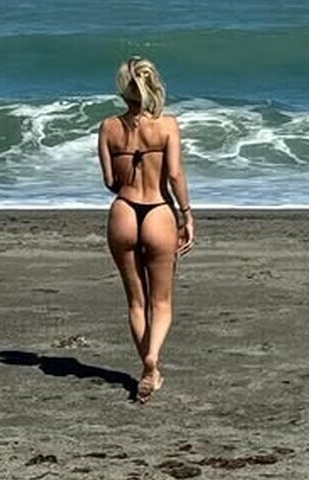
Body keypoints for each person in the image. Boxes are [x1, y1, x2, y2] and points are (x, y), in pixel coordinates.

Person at [98, 56, 195, 402]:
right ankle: (152, 358)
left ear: (123, 89)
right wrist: (187, 214)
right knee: (162, 301)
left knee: (136, 302)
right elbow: (175, 175)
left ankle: (148, 368)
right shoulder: (167, 125)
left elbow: (110, 181)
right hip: (158, 210)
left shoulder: (108, 127)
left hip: (124, 210)